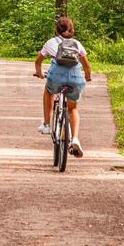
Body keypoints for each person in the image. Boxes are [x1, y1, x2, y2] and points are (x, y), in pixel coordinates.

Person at [33, 15, 91, 156]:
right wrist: (88, 77)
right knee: (73, 109)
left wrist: (40, 73)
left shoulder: (51, 42)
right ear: (72, 30)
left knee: (48, 90)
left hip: (56, 77)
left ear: (57, 30)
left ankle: (47, 124)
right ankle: (75, 139)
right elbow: (86, 66)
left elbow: (38, 61)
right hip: (75, 78)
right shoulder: (77, 44)